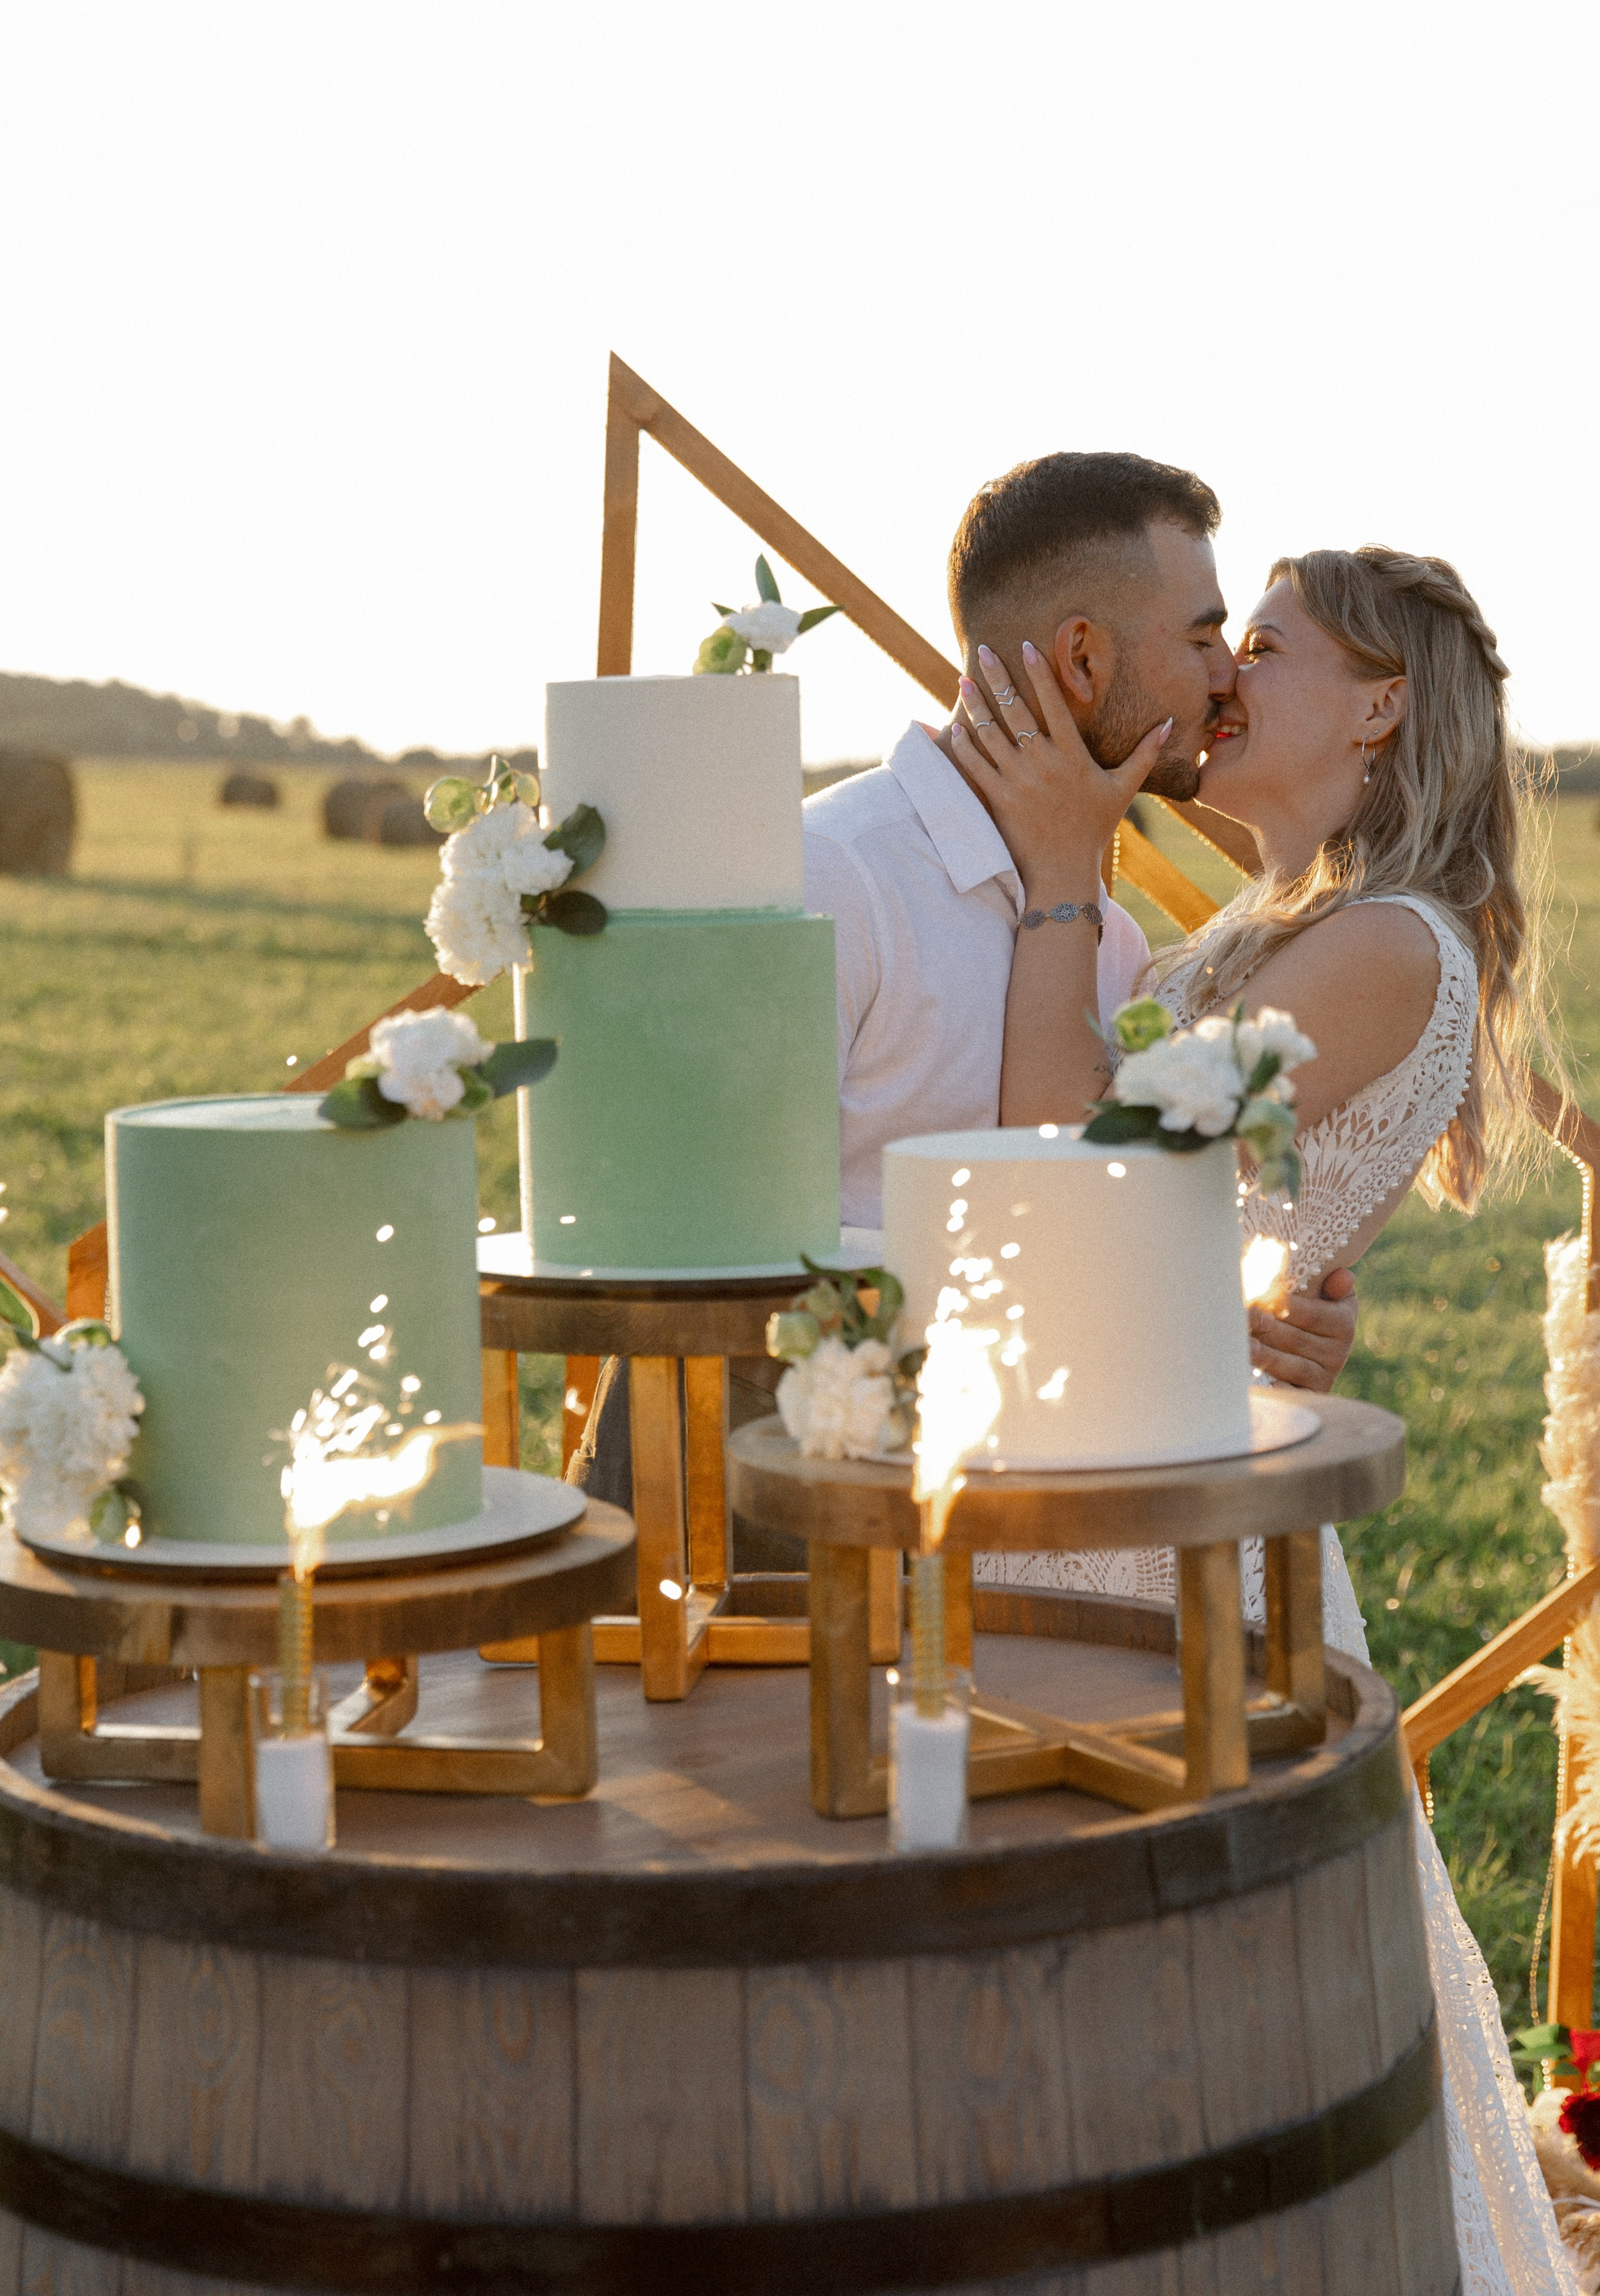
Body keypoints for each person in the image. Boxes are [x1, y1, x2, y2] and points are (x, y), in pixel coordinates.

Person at [951, 543, 1574, 2295]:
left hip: (1188, 1540)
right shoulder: (1265, 925)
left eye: (1271, 648)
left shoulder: (1387, 943)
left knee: (1201, 2005)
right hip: (1135, 1475)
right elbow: (1198, 1216)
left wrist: (1062, 876)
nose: (1228, 679)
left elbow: (1078, 1177)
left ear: (1382, 701)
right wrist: (1247, 1293)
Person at [572, 455, 1359, 1516]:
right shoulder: (831, 875)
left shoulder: (1104, 942)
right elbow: (684, 1223)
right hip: (742, 1491)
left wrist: (1238, 1309)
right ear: (1083, 656)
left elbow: (1084, 1222)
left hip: (983, 1503)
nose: (1226, 674)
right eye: (1201, 635)